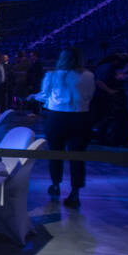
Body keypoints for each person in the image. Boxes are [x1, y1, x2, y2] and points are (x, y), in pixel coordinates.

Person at [30, 48, 95, 209]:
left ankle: (55, 185)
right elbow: (89, 96)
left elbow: (44, 95)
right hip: (81, 117)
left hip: (57, 117)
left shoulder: (52, 75)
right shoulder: (88, 75)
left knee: (55, 153)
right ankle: (75, 193)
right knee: (78, 157)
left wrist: (33, 96)